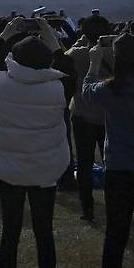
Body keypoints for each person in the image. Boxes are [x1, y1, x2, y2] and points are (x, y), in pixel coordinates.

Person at [0, 34, 70, 268]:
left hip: (9, 166)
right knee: (44, 231)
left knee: (10, 229)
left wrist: (5, 35)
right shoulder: (59, 88)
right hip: (45, 169)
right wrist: (51, 38)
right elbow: (71, 70)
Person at [83, 31, 134, 268]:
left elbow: (87, 92)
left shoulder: (110, 89)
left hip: (119, 166)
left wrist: (93, 64)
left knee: (116, 231)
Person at [66, 15, 111, 221]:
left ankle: (88, 209)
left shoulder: (78, 54)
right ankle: (116, 203)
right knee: (111, 161)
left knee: (84, 163)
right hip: (109, 116)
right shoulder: (116, 54)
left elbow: (61, 58)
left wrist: (78, 43)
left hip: (83, 115)